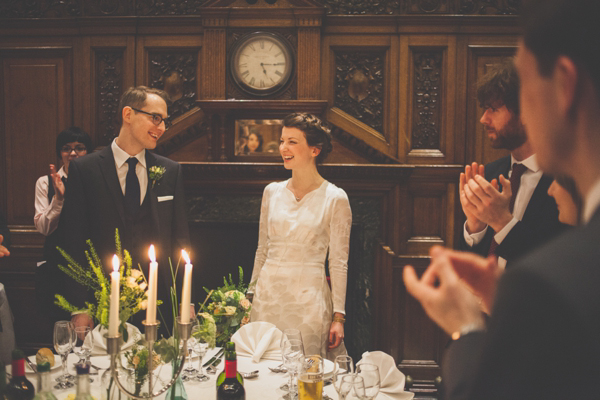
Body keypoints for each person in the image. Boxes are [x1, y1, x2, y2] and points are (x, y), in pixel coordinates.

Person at [404, 0, 600, 398]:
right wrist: (476, 227)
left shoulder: (558, 278)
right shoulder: (490, 172)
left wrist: (467, 329)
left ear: (565, 86)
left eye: (527, 89)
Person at [59, 86, 190, 330]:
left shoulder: (170, 171)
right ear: (128, 114)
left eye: (164, 121)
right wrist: (79, 306)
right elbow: (73, 239)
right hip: (101, 301)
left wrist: (185, 298)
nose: (161, 127)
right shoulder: (85, 170)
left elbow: (179, 238)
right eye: (155, 118)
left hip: (157, 302)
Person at [248, 112, 352, 359]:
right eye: (282, 141)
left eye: (292, 142)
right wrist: (249, 297)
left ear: (314, 150)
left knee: (305, 374)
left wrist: (339, 316)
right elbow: (262, 249)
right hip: (267, 298)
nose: (283, 148)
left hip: (309, 302)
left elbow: (338, 262)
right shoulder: (271, 192)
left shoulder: (335, 198)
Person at [459, 59, 566, 269]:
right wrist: (475, 226)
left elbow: (557, 266)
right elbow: (468, 262)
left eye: (493, 110)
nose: (483, 119)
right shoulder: (490, 172)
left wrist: (502, 222)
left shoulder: (564, 181)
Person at [33, 127, 93, 334]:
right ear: (60, 153)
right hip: (56, 270)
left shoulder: (95, 182)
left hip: (90, 271)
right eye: (66, 149)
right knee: (60, 333)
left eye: (80, 148)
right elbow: (43, 228)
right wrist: (58, 199)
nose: (73, 153)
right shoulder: (44, 182)